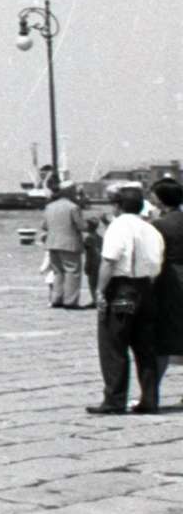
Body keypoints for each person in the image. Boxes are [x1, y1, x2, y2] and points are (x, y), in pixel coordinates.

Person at [88, 186, 165, 415]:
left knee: (113, 345)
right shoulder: (151, 229)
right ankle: (150, 399)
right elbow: (157, 262)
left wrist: (100, 291)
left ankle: (115, 399)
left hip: (122, 288)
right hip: (146, 288)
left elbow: (109, 260)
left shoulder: (118, 226)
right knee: (145, 348)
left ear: (117, 206)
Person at [134, 177, 183, 408]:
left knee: (161, 340)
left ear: (161, 200)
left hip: (169, 283)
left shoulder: (158, 226)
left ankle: (150, 393)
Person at [41, 183, 86, 309]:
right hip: (69, 244)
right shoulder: (73, 207)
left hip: (52, 243)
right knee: (72, 272)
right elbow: (82, 226)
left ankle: (56, 299)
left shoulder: (49, 207)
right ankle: (70, 301)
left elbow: (44, 226)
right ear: (70, 191)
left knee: (58, 272)